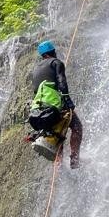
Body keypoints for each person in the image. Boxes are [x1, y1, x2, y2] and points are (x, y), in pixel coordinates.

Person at [31, 40, 83, 168]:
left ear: (42, 55)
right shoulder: (56, 62)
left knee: (58, 132)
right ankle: (74, 158)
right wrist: (67, 100)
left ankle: (58, 163)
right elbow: (61, 82)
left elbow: (36, 90)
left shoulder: (36, 69)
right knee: (76, 126)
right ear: (53, 51)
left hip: (38, 108)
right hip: (53, 105)